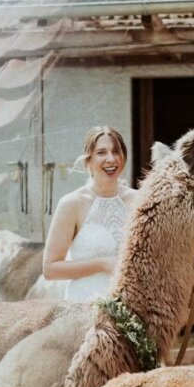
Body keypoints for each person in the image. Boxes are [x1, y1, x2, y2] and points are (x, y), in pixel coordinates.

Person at [42, 126, 139, 302]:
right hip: (84, 305)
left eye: (116, 152)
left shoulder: (139, 200)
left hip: (132, 303)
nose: (111, 159)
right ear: (88, 160)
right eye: (101, 153)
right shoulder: (71, 204)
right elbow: (50, 269)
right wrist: (101, 264)